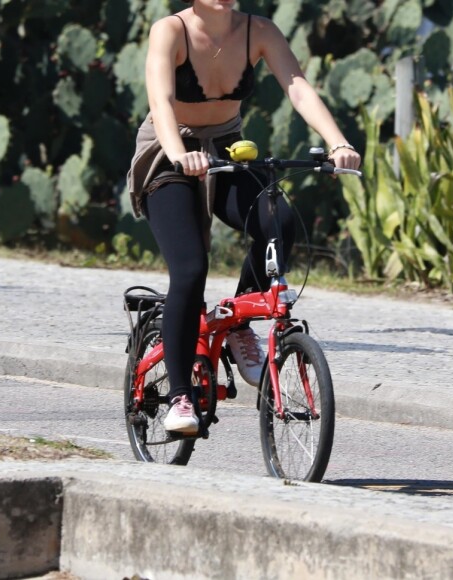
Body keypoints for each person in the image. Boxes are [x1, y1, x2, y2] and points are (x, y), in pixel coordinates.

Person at [127, 0, 361, 434]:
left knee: (280, 224)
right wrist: (180, 156)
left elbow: (297, 86)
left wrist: (337, 142)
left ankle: (238, 328)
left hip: (225, 148)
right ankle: (180, 395)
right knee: (191, 266)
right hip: (167, 151)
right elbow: (160, 102)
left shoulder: (260, 31)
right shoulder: (170, 30)